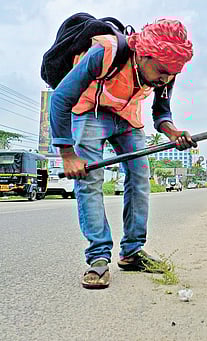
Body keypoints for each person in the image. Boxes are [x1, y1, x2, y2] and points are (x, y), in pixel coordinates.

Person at [49, 19, 196, 289]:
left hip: (127, 118)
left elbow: (161, 113)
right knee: (89, 179)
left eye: (172, 73)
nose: (165, 78)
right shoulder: (105, 51)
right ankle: (98, 258)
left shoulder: (167, 70)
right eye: (162, 71)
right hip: (89, 113)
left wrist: (173, 133)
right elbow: (60, 99)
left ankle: (132, 252)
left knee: (140, 177)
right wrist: (68, 155)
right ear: (143, 53)